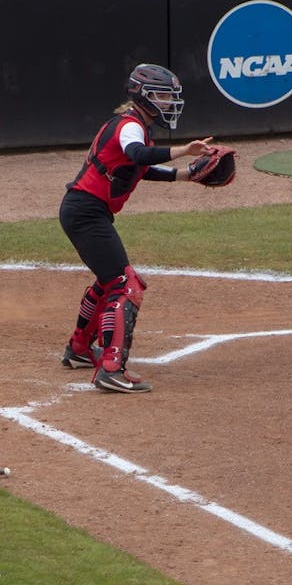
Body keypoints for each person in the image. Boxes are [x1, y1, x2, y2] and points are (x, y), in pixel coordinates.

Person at [58, 64, 214, 393]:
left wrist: (186, 174)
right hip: (86, 212)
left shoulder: (133, 126)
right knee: (125, 284)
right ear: (142, 95)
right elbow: (138, 154)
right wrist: (183, 150)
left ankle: (80, 349)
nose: (168, 103)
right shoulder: (130, 126)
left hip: (84, 210)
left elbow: (141, 166)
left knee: (108, 281)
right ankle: (112, 368)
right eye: (162, 96)